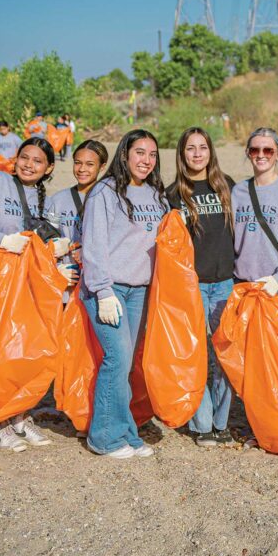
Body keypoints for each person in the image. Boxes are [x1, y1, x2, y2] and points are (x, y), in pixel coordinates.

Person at [0, 138, 72, 452]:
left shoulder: (42, 199)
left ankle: (20, 415)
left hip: (25, 287)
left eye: (37, 161)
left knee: (21, 353)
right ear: (16, 158)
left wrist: (55, 251)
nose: (29, 165)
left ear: (48, 167)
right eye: (25, 157)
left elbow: (37, 244)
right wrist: (1, 240)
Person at [81, 130, 167, 459]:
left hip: (139, 291)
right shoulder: (105, 191)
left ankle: (126, 431)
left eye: (152, 154)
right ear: (125, 154)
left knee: (127, 364)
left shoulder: (157, 195)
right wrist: (103, 291)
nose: (146, 160)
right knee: (116, 358)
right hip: (110, 288)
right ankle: (103, 438)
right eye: (140, 152)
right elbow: (94, 243)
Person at [165, 127, 236, 448]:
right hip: (191, 286)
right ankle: (202, 422)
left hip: (224, 284)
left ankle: (221, 422)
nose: (197, 154)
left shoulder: (227, 186)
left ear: (210, 152)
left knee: (224, 354)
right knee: (194, 356)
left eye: (202, 147)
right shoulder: (173, 195)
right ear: (182, 154)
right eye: (190, 148)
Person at [232, 128, 278, 317]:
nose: (261, 155)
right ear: (248, 153)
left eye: (268, 150)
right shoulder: (237, 192)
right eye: (255, 150)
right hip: (244, 285)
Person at [45, 140, 109, 261]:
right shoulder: (58, 200)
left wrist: (88, 251)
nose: (82, 169)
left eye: (90, 164)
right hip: (64, 270)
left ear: (102, 167)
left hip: (97, 270)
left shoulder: (110, 199)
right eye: (77, 163)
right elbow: (48, 234)